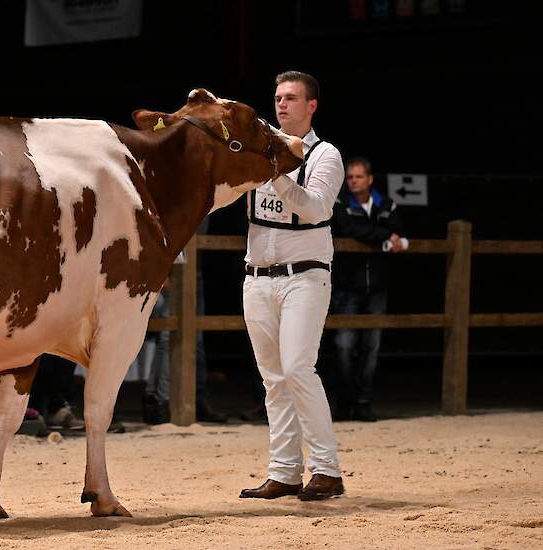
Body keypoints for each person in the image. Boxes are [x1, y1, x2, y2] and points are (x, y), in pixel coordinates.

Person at [238, 71, 345, 501]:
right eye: (278, 97)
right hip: (257, 276)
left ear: (311, 105)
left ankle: (327, 469)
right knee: (274, 378)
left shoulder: (325, 155)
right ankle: (284, 470)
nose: (281, 105)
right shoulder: (261, 154)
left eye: (292, 98)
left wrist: (277, 173)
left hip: (305, 275)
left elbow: (316, 207)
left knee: (299, 368)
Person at [330, 157, 408, 422]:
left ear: (370, 179)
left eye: (358, 177)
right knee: (343, 346)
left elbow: (399, 231)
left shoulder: (387, 204)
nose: (353, 181)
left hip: (377, 286)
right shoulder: (340, 203)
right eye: (350, 177)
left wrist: (387, 236)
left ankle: (363, 402)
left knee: (371, 347)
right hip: (346, 286)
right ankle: (343, 402)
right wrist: (384, 236)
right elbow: (349, 230)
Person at [142, 219, 226, 425]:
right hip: (171, 265)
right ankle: (161, 400)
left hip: (192, 267)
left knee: (193, 338)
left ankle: (175, 397)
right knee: (169, 336)